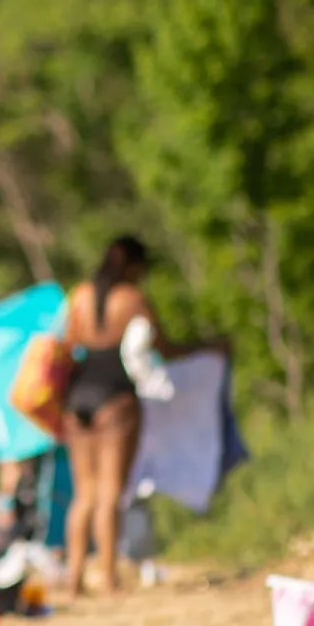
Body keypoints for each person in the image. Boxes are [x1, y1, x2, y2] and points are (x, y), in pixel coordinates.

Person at [60, 235, 217, 596]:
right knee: (111, 492)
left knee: (83, 495)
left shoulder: (78, 297)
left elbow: (67, 346)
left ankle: (74, 579)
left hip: (77, 395)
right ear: (133, 266)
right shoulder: (132, 300)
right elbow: (164, 348)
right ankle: (110, 578)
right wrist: (208, 346)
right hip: (115, 396)